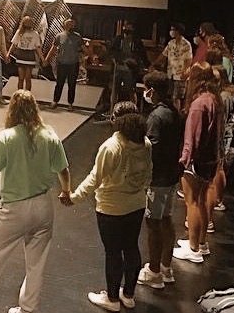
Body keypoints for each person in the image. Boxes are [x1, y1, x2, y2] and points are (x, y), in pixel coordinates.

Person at [0, 90, 72, 313]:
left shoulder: (6, 137)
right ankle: (28, 308)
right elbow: (63, 170)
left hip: (14, 210)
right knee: (36, 263)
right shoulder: (50, 136)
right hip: (43, 206)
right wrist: (66, 191)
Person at [70, 101, 152, 312]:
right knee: (132, 247)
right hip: (136, 205)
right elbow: (147, 173)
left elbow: (95, 178)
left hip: (111, 208)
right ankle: (129, 295)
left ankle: (113, 298)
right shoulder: (145, 143)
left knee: (113, 252)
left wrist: (74, 197)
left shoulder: (111, 147)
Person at [172, 62, 223, 264]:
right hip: (210, 160)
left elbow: (192, 137)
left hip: (196, 162)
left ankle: (193, 248)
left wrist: (183, 162)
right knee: (201, 201)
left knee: (191, 202)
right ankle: (200, 243)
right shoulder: (214, 100)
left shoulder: (199, 104)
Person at [136, 71, 182, 290]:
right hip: (172, 176)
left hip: (158, 179)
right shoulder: (174, 112)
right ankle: (166, 267)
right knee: (166, 219)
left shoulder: (156, 117)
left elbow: (151, 148)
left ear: (152, 91)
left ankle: (153, 271)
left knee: (152, 223)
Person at [205, 64, 234, 226]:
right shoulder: (225, 94)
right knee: (218, 169)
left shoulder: (224, 97)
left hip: (221, 139)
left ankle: (213, 208)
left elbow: (222, 122)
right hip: (223, 137)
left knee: (216, 172)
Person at [44, 18, 84, 109]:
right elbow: (53, 49)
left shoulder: (78, 37)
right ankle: (55, 101)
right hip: (62, 63)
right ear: (64, 25)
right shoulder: (59, 36)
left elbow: (84, 48)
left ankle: (70, 103)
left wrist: (93, 56)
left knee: (72, 84)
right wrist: (46, 59)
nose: (70, 26)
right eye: (68, 24)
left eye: (72, 24)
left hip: (73, 64)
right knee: (59, 83)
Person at [7, 16, 44, 93]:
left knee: (28, 78)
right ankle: (20, 94)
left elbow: (38, 47)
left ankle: (27, 95)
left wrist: (43, 59)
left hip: (30, 55)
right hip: (21, 54)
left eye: (30, 21)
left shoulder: (35, 34)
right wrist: (8, 54)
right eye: (27, 22)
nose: (28, 23)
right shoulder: (19, 32)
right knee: (21, 78)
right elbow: (13, 44)